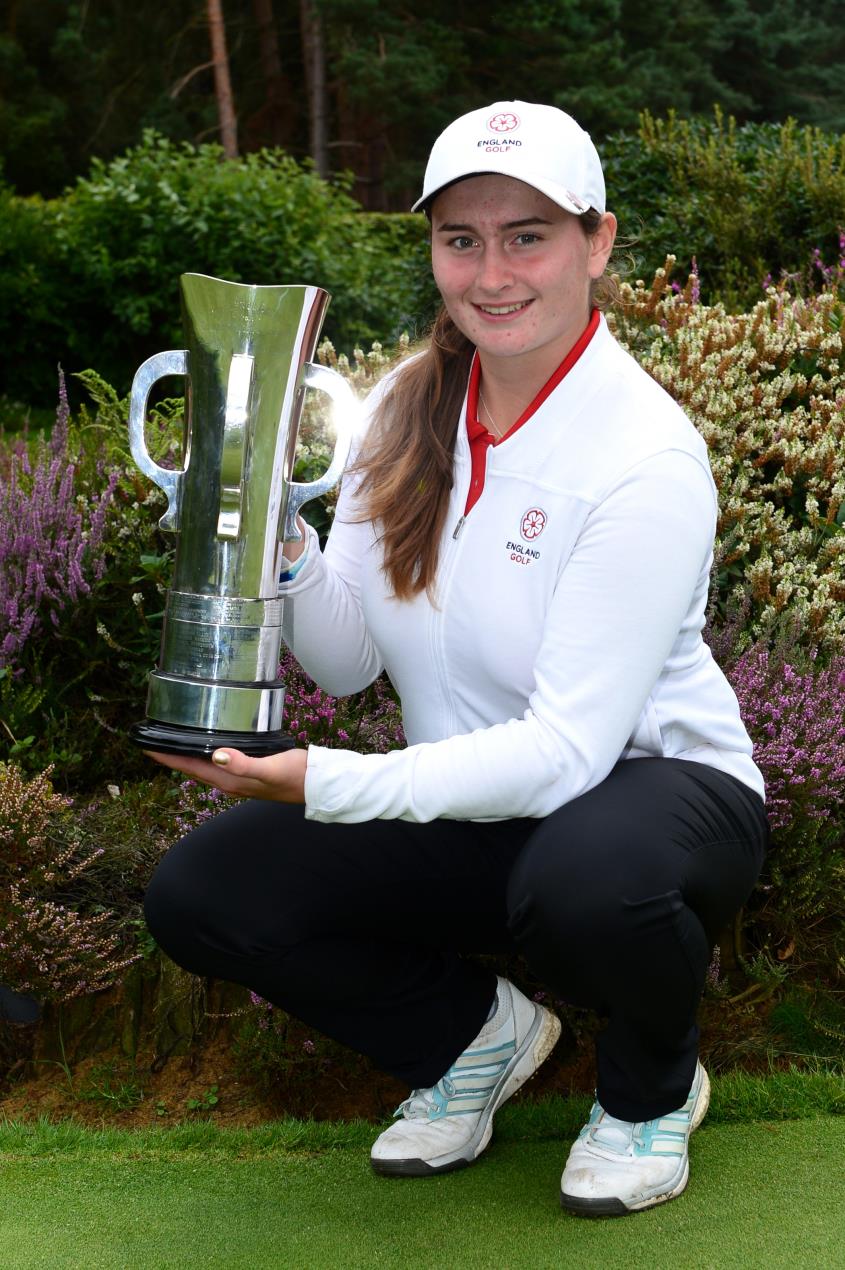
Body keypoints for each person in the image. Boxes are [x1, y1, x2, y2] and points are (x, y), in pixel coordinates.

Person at [142, 101, 768, 1217]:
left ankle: (648, 1088)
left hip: (652, 798)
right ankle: (474, 1038)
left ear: (597, 241)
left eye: (526, 234)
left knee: (586, 883)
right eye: (459, 238)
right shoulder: (401, 405)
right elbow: (341, 663)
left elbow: (568, 751)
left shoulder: (643, 454)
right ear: (431, 247)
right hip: (485, 803)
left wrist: (325, 782)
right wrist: (270, 533)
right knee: (205, 893)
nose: (490, 272)